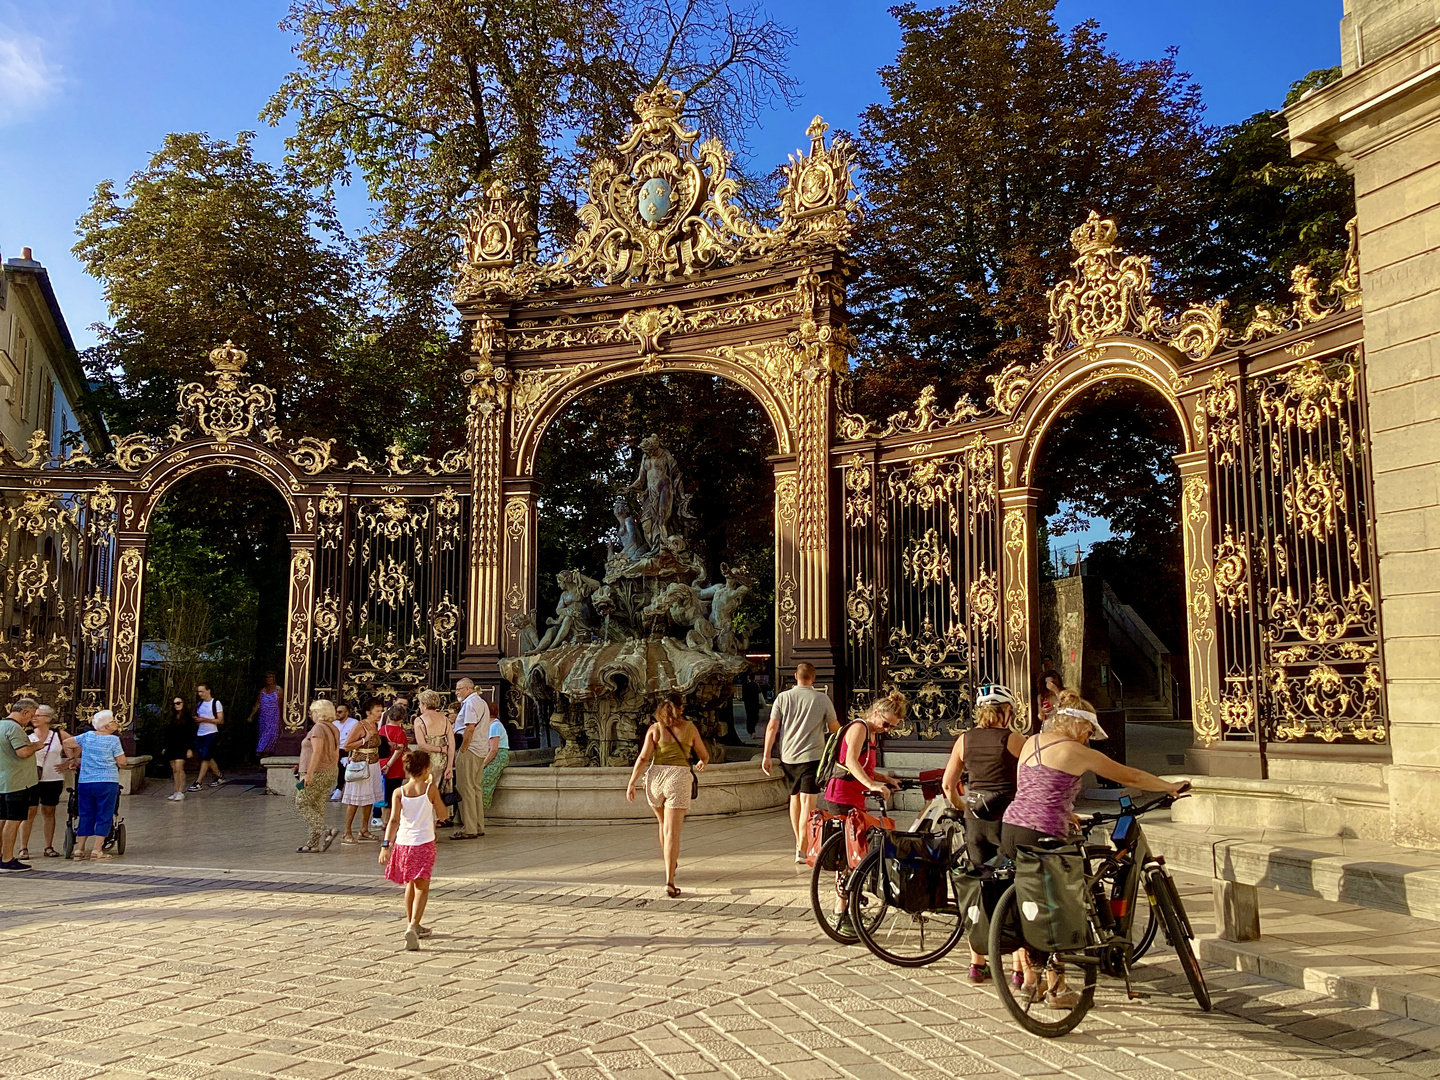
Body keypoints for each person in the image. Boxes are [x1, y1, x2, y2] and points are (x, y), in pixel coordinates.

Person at [1000, 690, 1189, 1009]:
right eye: (1089, 731)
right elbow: (1129, 775)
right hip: (1045, 833)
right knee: (1062, 906)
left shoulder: (1031, 742)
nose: (1090, 738)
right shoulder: (1076, 751)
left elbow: (1033, 786)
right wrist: (1169, 786)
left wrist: (1065, 810)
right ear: (1076, 726)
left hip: (1013, 827)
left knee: (1031, 900)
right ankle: (1058, 989)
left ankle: (1030, 979)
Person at [941, 683, 1027, 984]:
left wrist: (962, 807)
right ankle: (1018, 967)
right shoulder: (1013, 739)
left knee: (979, 887)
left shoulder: (964, 740)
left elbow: (948, 785)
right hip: (1007, 819)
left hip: (974, 821)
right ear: (1006, 713)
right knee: (1013, 885)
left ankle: (977, 963)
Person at [819, 692, 905, 934]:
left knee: (855, 854)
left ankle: (848, 906)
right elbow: (850, 761)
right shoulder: (859, 728)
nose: (887, 729)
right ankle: (841, 912)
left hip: (854, 798)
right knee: (848, 857)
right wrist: (872, 785)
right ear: (875, 713)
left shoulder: (872, 733)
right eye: (886, 723)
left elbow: (865, 767)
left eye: (893, 727)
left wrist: (884, 778)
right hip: (841, 797)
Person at [625, 698, 709, 896]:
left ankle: (669, 860)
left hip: (655, 779)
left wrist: (631, 782)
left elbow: (644, 757)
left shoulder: (655, 729)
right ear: (681, 709)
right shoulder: (690, 728)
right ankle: (669, 880)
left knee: (663, 825)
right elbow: (703, 754)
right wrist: (702, 762)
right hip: (678, 777)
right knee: (673, 832)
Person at [761, 663, 837, 863]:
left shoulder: (783, 698)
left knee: (794, 799)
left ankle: (798, 842)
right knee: (808, 804)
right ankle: (803, 848)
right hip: (812, 757)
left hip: (788, 756)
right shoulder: (822, 699)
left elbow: (772, 727)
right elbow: (834, 727)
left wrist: (767, 754)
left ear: (795, 676)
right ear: (814, 677)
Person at [380, 749, 446, 951]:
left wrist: (385, 845)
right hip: (424, 843)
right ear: (427, 769)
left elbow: (393, 820)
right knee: (422, 887)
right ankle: (412, 925)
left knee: (409, 883)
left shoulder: (399, 792)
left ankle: (413, 923)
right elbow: (443, 814)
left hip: (403, 843)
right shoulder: (430, 789)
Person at [64, 710, 127, 861]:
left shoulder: (87, 736)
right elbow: (123, 762)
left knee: (85, 814)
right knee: (104, 814)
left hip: (85, 782)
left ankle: (79, 849)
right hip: (106, 781)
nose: (115, 724)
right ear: (106, 725)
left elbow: (66, 743)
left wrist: (72, 759)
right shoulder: (113, 740)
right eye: (113, 722)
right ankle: (97, 850)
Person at [21, 705, 72, 859]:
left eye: (39, 715)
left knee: (49, 812)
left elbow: (76, 746)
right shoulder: (27, 735)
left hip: (52, 778)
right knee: (29, 812)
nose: (34, 718)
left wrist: (68, 762)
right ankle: (23, 848)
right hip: (31, 778)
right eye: (33, 715)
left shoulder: (58, 734)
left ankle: (48, 846)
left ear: (48, 718)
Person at [1, 698, 44, 871]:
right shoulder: (14, 728)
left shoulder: (1, 725)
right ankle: (8, 858)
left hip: (3, 780)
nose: (30, 720)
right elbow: (23, 752)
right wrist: (36, 746)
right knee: (13, 820)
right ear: (25, 712)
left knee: (2, 819)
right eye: (31, 716)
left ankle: (1, 855)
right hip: (18, 782)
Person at [295, 700, 340, 853]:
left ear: (319, 712)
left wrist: (309, 773)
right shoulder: (333, 728)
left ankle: (326, 829)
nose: (311, 715)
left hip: (317, 771)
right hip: (330, 770)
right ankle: (313, 843)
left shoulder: (318, 728)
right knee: (317, 806)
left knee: (301, 803)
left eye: (313, 712)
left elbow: (317, 752)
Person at [340, 699, 384, 844]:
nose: (380, 713)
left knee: (369, 798)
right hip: (361, 764)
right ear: (368, 712)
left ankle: (364, 829)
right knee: (354, 799)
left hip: (373, 764)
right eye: (377, 711)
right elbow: (347, 746)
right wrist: (364, 740)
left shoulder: (376, 725)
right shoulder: (360, 726)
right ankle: (347, 832)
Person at [451, 679, 487, 840]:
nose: (456, 692)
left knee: (465, 788)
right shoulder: (481, 702)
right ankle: (478, 825)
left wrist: (463, 749)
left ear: (467, 688)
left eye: (459, 689)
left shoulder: (470, 704)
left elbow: (469, 728)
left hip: (470, 749)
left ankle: (469, 828)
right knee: (475, 788)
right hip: (480, 749)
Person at [414, 690, 455, 827]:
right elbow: (452, 744)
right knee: (437, 792)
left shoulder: (419, 720)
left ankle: (428, 827)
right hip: (442, 762)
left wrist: (439, 749)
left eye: (420, 703)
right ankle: (436, 823)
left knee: (424, 793)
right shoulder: (445, 720)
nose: (419, 706)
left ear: (425, 704)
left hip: (425, 762)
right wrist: (450, 766)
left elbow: (421, 744)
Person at [376, 701, 411, 836]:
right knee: (393, 796)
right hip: (395, 767)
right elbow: (398, 751)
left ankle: (384, 821)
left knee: (384, 795)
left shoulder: (382, 730)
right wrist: (389, 765)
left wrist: (384, 765)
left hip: (381, 763)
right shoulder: (400, 732)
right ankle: (391, 821)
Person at [189, 684, 225, 790]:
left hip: (211, 733)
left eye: (202, 691)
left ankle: (198, 781)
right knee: (206, 757)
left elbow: (220, 720)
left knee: (205, 757)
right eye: (199, 692)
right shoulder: (199, 704)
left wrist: (204, 720)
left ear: (208, 691)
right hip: (201, 733)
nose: (200, 694)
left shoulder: (216, 703)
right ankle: (218, 775)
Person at [161, 696, 196, 802]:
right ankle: (176, 791)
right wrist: (164, 747)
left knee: (179, 768)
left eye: (178, 703)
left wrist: (190, 748)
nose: (176, 705)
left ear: (183, 703)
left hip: (183, 746)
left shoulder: (188, 719)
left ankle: (181, 791)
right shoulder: (172, 718)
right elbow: (167, 734)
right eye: (174, 704)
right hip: (172, 745)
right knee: (174, 770)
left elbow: (191, 734)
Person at [479, 704, 510, 811]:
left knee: (484, 780)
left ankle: (481, 809)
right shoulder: (489, 725)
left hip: (499, 755)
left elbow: (493, 750)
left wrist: (483, 764)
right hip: (493, 754)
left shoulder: (495, 726)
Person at [249, 672, 283, 757]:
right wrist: (251, 715)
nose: (269, 679)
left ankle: (265, 754)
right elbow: (257, 704)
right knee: (263, 734)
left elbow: (281, 704)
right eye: (267, 677)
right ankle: (261, 752)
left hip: (274, 716)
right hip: (264, 717)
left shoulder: (278, 690)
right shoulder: (262, 691)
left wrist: (282, 718)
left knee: (271, 735)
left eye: (271, 677)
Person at [331, 702, 356, 802]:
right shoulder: (334, 724)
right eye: (336, 712)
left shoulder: (354, 723)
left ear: (346, 713)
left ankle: (339, 788)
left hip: (347, 749)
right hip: (335, 749)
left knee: (342, 765)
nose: (337, 714)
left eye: (340, 712)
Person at [740, 672, 761, 739]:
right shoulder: (756, 685)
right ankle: (753, 731)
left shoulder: (747, 686)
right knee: (754, 717)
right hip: (755, 704)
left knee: (749, 717)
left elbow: (745, 696)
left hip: (749, 704)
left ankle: (751, 731)